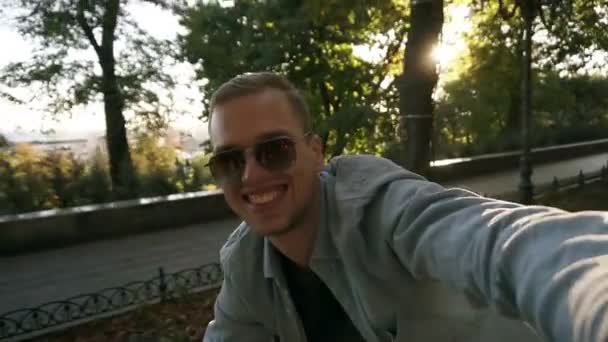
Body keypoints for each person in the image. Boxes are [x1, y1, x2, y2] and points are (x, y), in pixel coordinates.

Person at [202, 72, 608, 342]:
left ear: (316, 152)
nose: (252, 176)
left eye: (275, 150)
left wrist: (590, 291)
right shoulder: (246, 263)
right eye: (230, 161)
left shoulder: (373, 204)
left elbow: (491, 238)